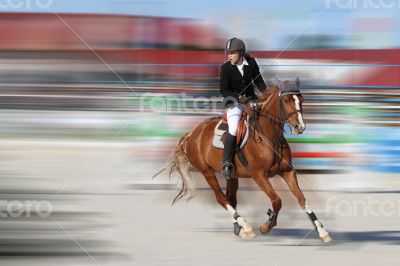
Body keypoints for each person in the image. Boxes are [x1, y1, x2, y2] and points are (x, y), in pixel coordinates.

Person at [219, 37, 267, 179]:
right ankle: (227, 163)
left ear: (240, 52)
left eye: (232, 53)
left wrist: (266, 94)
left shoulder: (251, 63)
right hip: (234, 103)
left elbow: (259, 81)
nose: (229, 56)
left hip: (251, 100)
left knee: (268, 117)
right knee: (233, 128)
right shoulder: (225, 68)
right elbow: (224, 90)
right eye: (228, 53)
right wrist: (239, 98)